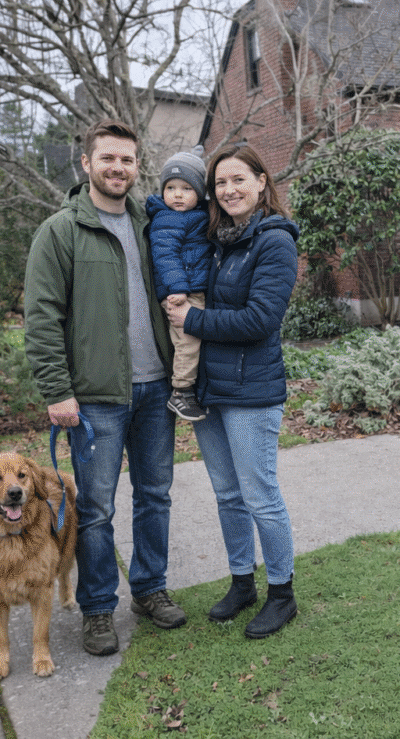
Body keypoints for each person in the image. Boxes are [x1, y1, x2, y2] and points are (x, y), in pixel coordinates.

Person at [24, 118, 186, 656]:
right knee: (95, 508)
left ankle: (150, 589)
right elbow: (42, 317)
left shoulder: (152, 222)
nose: (119, 167)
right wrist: (57, 390)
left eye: (128, 159)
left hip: (156, 389)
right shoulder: (61, 231)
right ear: (86, 164)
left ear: (137, 166)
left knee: (155, 497)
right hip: (95, 399)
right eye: (108, 158)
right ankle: (97, 609)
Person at [164, 144, 300, 639]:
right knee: (227, 495)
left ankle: (281, 593)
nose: (229, 190)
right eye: (220, 183)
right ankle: (242, 582)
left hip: (252, 392)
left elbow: (261, 320)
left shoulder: (274, 241)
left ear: (262, 181)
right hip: (212, 391)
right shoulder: (218, 240)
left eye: (238, 179)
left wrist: (193, 318)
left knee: (260, 495)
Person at [146, 146, 213, 422]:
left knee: (196, 339)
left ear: (199, 192)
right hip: (180, 292)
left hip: (193, 286)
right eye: (171, 187)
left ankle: (190, 386)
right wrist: (178, 288)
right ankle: (181, 391)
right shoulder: (167, 218)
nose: (177, 194)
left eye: (186, 188)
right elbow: (165, 255)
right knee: (188, 340)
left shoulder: (195, 215)